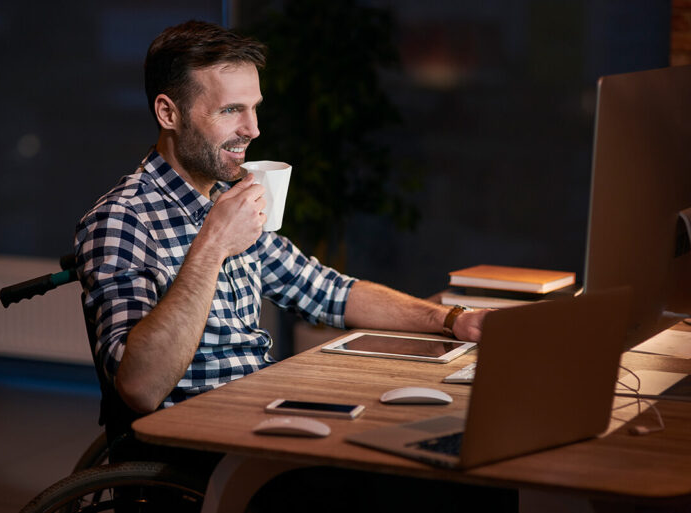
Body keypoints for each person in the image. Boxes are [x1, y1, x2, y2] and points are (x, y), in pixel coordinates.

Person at [74, 20, 498, 500]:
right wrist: (212, 243)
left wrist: (451, 319)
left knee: (445, 457)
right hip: (198, 445)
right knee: (426, 490)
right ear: (169, 113)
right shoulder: (122, 220)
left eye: (254, 109)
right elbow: (140, 386)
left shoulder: (231, 197)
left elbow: (327, 292)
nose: (252, 130)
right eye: (231, 110)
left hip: (260, 415)